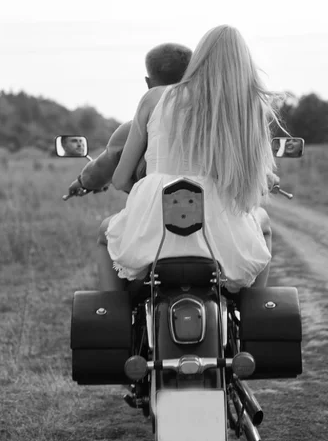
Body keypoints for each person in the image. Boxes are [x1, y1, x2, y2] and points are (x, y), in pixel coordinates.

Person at [99, 25, 283, 294]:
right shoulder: (247, 108)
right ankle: (253, 313)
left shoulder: (155, 97)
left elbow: (119, 179)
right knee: (263, 224)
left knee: (106, 235)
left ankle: (112, 320)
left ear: (199, 59)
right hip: (219, 233)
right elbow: (253, 186)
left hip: (154, 225)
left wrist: (146, 191)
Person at [67, 43, 193, 197]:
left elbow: (102, 170)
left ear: (149, 83)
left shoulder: (133, 129)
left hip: (152, 206)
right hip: (208, 208)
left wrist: (82, 182)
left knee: (106, 223)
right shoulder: (212, 125)